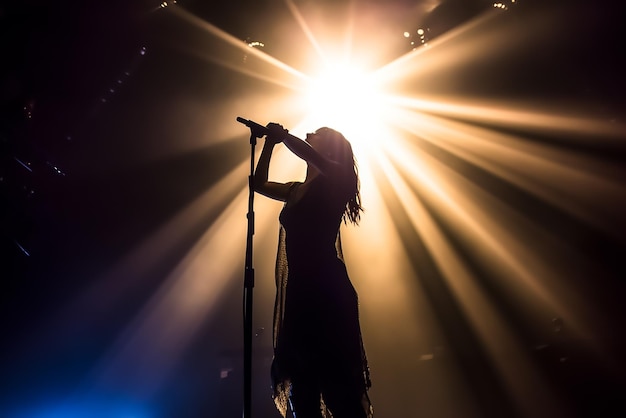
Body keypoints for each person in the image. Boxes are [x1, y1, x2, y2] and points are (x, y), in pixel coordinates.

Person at [254, 122, 373, 418]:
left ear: (330, 147)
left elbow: (311, 155)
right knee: (302, 388)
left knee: (337, 387)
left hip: (327, 290)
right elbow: (258, 184)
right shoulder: (296, 190)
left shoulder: (337, 179)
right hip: (300, 292)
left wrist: (284, 138)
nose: (310, 136)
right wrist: (270, 143)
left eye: (318, 135)